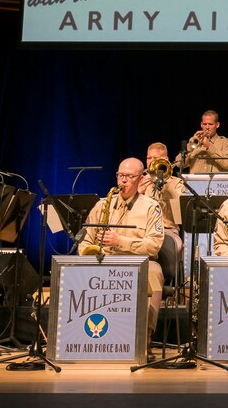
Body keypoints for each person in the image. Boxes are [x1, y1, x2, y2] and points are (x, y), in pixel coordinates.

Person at [78, 157, 164, 336]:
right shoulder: (102, 205)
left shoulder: (151, 207)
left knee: (155, 274)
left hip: (140, 262)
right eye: (120, 175)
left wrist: (120, 241)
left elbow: (154, 245)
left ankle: (144, 337)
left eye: (129, 176)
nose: (123, 180)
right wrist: (86, 254)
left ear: (141, 179)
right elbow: (85, 240)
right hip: (105, 260)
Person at [140, 142, 184, 291]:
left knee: (170, 244)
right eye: (148, 158)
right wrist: (139, 191)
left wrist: (165, 186)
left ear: (165, 159)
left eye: (155, 158)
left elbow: (179, 216)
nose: (151, 161)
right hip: (142, 231)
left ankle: (157, 284)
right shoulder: (140, 181)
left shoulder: (176, 184)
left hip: (167, 230)